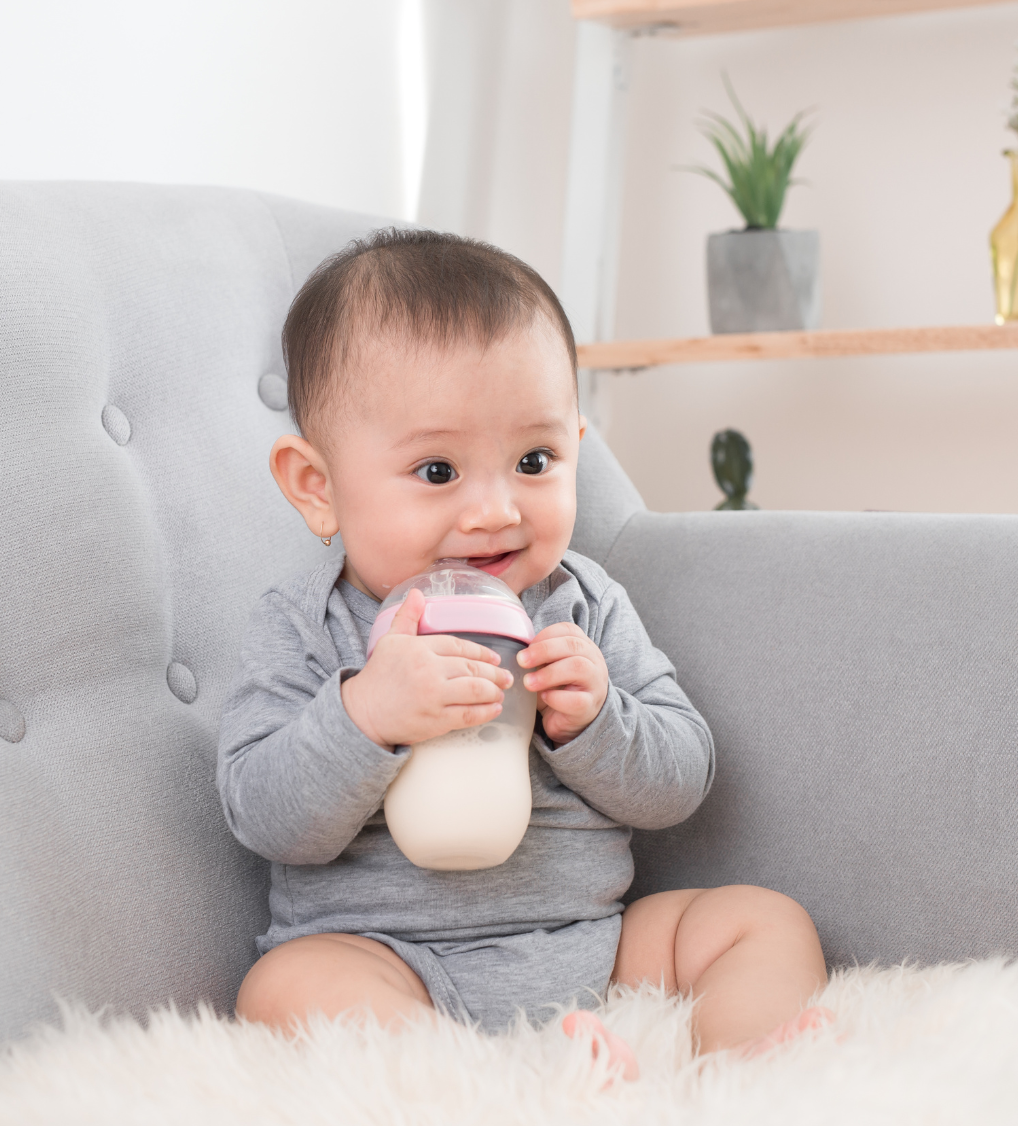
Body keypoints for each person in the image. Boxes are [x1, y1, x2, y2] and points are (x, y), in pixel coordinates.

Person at [216, 228, 829, 1078]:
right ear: (318, 487)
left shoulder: (580, 603)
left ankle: (739, 1069)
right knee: (285, 987)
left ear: (577, 445)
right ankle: (505, 1087)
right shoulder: (307, 625)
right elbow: (260, 812)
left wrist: (596, 721)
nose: (496, 510)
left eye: (534, 461)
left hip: (593, 947)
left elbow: (683, 777)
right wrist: (366, 716)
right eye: (438, 472)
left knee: (762, 920)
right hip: (394, 962)